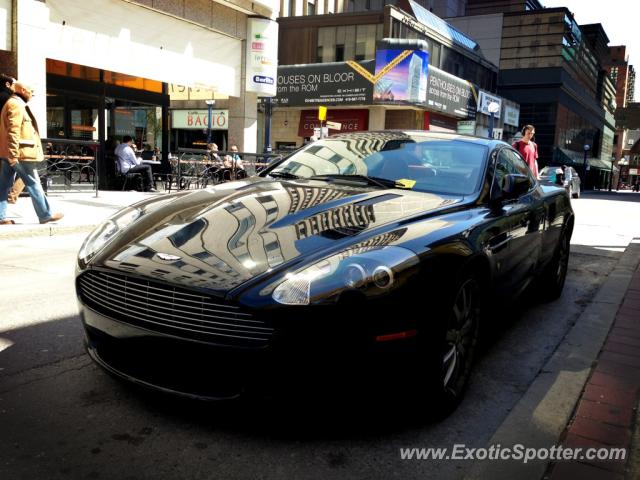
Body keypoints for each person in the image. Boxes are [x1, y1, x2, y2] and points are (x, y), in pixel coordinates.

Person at [0, 81, 63, 225]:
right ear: (22, 90)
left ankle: (1, 217)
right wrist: (14, 154)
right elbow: (13, 131)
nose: (33, 93)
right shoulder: (16, 105)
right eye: (31, 90)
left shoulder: (14, 103)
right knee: (33, 183)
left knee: (3, 185)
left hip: (11, 153)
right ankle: (45, 215)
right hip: (20, 154)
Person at [0, 74, 26, 205]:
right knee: (29, 171)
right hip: (9, 142)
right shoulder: (10, 100)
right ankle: (12, 195)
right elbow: (14, 124)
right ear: (7, 85)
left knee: (5, 177)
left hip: (4, 143)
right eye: (14, 84)